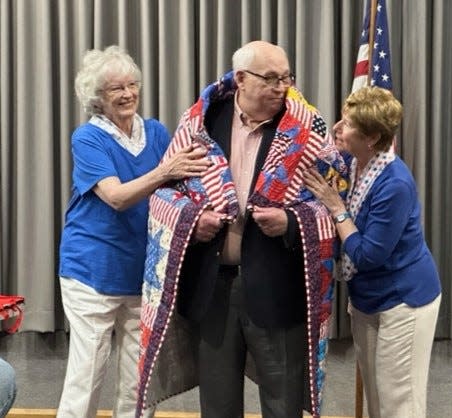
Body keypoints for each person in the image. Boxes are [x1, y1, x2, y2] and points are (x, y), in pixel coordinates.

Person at [136, 41, 346, 418]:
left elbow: (332, 203)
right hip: (215, 289)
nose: (282, 87)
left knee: (284, 405)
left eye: (287, 77)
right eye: (271, 79)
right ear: (241, 80)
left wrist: (291, 223)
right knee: (217, 407)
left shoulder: (307, 129)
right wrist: (193, 222)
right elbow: (166, 196)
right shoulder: (199, 123)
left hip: (279, 288)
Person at [57, 45, 210, 418]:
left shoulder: (155, 132)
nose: (127, 94)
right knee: (86, 378)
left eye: (132, 85)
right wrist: (165, 172)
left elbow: (182, 185)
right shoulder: (88, 138)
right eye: (115, 89)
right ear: (97, 97)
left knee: (139, 384)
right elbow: (115, 197)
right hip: (92, 274)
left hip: (143, 275)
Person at [304, 86, 442, 418]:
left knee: (399, 401)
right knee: (376, 399)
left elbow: (367, 255)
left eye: (348, 123)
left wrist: (337, 209)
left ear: (372, 137)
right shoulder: (352, 163)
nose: (338, 128)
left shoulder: (394, 184)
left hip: (404, 299)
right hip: (366, 297)